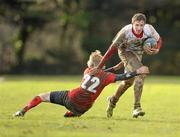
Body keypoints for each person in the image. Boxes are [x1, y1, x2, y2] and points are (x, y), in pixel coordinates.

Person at [13, 50, 149, 118]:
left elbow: (100, 72)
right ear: (103, 64)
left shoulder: (87, 70)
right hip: (85, 108)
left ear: (90, 64)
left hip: (71, 98)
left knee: (41, 97)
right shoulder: (106, 76)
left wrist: (116, 67)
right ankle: (73, 113)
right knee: (77, 108)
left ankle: (22, 111)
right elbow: (121, 76)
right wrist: (137, 71)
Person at [97, 13, 162, 118]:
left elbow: (159, 40)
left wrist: (157, 49)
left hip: (137, 54)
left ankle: (112, 101)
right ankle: (137, 107)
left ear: (144, 24)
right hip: (125, 52)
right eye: (136, 25)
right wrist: (99, 67)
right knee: (141, 73)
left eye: (141, 25)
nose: (139, 28)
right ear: (132, 24)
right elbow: (111, 50)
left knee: (128, 82)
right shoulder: (125, 32)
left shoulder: (149, 29)